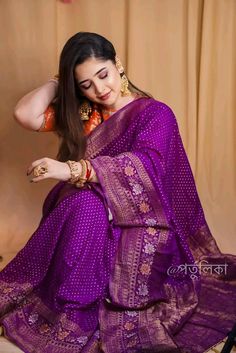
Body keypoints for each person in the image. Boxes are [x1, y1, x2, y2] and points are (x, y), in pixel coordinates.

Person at [0, 32, 235, 353]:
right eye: (86, 85)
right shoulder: (85, 114)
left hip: (141, 221)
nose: (99, 89)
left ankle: (87, 299)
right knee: (85, 205)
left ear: (117, 65)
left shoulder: (155, 113)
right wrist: (61, 79)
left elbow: (147, 166)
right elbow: (25, 115)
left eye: (103, 74)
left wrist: (71, 170)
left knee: (87, 205)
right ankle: (72, 301)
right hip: (88, 215)